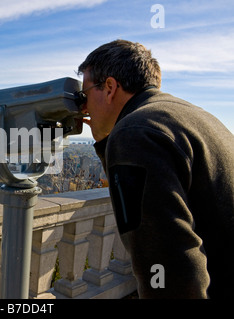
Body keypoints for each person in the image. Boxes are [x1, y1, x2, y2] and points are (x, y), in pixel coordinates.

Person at [77, 39, 234, 298]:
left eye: (85, 95)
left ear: (109, 87)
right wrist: (106, 141)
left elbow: (168, 261)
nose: (83, 107)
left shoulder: (135, 132)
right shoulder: (189, 115)